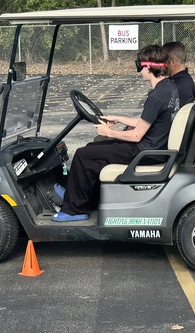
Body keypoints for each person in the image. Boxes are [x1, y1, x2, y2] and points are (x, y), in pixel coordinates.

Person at [54, 44, 180, 222]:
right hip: (154, 145)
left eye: (139, 65)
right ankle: (79, 197)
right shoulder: (168, 88)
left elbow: (137, 135)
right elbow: (148, 121)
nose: (139, 70)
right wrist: (119, 118)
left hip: (145, 151)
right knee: (93, 148)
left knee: (83, 154)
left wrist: (109, 132)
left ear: (148, 67)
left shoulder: (156, 96)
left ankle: (72, 210)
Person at [163, 41, 195, 105]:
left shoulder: (180, 87)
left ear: (172, 62)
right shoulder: (183, 81)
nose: (161, 65)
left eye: (163, 62)